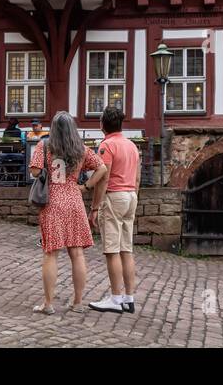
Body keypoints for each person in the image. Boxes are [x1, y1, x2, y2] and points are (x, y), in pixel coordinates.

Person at [29, 112, 106, 315]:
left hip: (52, 201)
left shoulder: (44, 146)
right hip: (74, 200)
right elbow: (102, 168)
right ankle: (78, 302)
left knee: (51, 253)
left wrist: (47, 169)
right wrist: (87, 186)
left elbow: (35, 172)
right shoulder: (81, 149)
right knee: (77, 253)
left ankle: (48, 303)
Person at [87, 106, 141, 315]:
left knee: (112, 250)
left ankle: (115, 298)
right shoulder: (131, 145)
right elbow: (136, 178)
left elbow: (104, 178)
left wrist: (94, 207)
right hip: (130, 196)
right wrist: (133, 195)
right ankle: (129, 297)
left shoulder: (106, 146)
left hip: (114, 196)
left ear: (102, 124)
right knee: (126, 249)